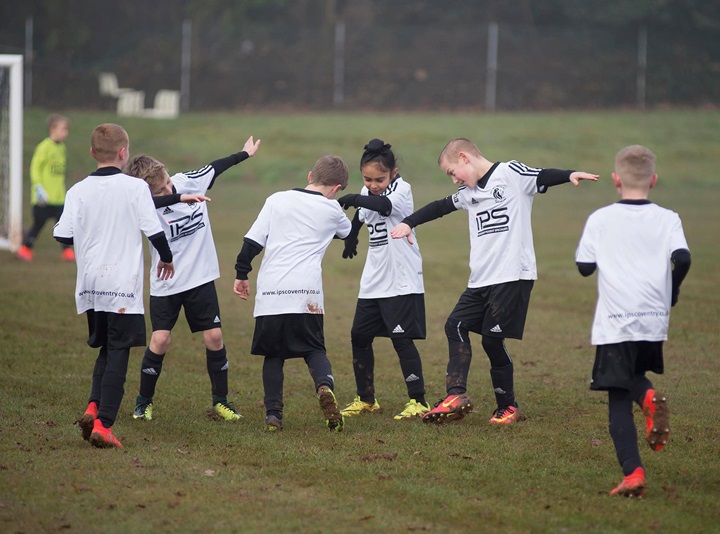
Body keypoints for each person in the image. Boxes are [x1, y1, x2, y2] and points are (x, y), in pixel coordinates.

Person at [391, 137, 598, 425]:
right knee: (455, 325)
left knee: (491, 339)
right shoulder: (468, 192)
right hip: (480, 279)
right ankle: (455, 396)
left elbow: (541, 175)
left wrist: (569, 174)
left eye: (452, 172)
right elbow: (440, 207)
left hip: (512, 275)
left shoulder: (510, 174)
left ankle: (508, 407)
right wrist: (408, 222)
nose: (454, 180)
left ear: (464, 158)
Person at [575, 145, 691, 497]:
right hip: (653, 319)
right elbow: (683, 258)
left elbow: (584, 267)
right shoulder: (668, 218)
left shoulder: (601, 218)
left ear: (615, 179)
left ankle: (634, 472)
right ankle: (647, 395)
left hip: (617, 320)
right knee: (634, 376)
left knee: (619, 396)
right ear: (653, 180)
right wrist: (672, 291)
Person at [53, 123, 174, 449]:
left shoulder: (77, 190)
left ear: (92, 152)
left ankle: (93, 407)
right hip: (121, 285)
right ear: (124, 153)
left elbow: (62, 234)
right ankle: (104, 425)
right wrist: (167, 259)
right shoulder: (135, 188)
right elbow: (154, 231)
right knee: (119, 350)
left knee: (107, 346)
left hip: (90, 286)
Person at [125, 135, 261, 423]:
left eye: (168, 182)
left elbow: (215, 167)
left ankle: (221, 402)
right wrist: (177, 199)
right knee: (160, 339)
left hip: (200, 278)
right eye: (161, 190)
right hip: (167, 282)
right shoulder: (143, 205)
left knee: (214, 336)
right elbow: (147, 207)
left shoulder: (186, 181)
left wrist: (244, 154)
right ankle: (143, 403)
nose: (169, 188)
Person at [233, 155, 352, 432]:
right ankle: (324, 386)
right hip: (306, 296)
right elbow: (346, 233)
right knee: (314, 349)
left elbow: (252, 242)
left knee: (273, 355)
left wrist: (241, 273)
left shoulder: (276, 200)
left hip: (272, 294)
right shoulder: (333, 209)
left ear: (310, 176)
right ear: (336, 188)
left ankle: (273, 415)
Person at [336, 139, 429, 420]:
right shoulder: (367, 192)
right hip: (374, 279)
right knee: (359, 336)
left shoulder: (402, 189)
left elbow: (384, 205)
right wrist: (351, 236)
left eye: (379, 179)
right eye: (367, 179)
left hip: (400, 278)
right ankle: (366, 399)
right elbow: (362, 215)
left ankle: (418, 401)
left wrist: (354, 198)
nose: (373, 185)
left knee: (401, 339)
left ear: (393, 173)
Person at [18, 113, 75, 262]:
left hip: (58, 197)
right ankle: (26, 248)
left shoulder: (62, 147)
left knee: (64, 224)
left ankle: (67, 251)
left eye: (66, 129)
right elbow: (35, 168)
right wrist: (38, 188)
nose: (66, 133)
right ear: (52, 129)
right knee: (38, 224)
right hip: (43, 197)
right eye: (63, 129)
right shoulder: (44, 147)